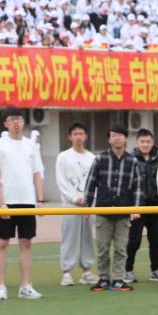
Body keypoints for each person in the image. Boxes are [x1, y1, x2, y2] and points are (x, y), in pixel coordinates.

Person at [0, 108, 45, 300]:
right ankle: (1, 286)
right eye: (12, 119)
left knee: (26, 243)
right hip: (7, 202)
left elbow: (37, 174)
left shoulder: (30, 145)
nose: (16, 122)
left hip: (27, 201)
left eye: (19, 119)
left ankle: (25, 286)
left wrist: (40, 200)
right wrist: (2, 203)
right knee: (2, 243)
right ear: (5, 123)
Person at [82, 123, 142, 292]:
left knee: (121, 248)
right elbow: (91, 183)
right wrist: (87, 206)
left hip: (123, 211)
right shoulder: (100, 159)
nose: (117, 138)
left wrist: (136, 208)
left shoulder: (132, 161)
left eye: (120, 135)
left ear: (125, 138)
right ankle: (103, 279)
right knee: (102, 248)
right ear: (109, 139)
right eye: (113, 135)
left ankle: (118, 279)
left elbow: (137, 187)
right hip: (103, 210)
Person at [55, 122, 99, 287]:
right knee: (69, 238)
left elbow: (95, 182)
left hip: (87, 205)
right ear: (70, 137)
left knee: (87, 238)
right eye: (75, 134)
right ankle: (66, 272)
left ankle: (86, 271)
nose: (78, 137)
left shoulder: (92, 158)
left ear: (86, 136)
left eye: (81, 134)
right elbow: (61, 182)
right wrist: (74, 198)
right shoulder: (63, 157)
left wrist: (89, 202)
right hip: (70, 205)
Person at [126, 129, 158, 283]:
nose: (145, 144)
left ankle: (155, 270)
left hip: (155, 206)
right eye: (142, 142)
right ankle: (128, 270)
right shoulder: (130, 159)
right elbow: (127, 184)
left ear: (152, 142)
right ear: (137, 143)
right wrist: (130, 207)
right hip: (137, 206)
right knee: (134, 241)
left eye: (148, 142)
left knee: (156, 240)